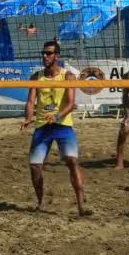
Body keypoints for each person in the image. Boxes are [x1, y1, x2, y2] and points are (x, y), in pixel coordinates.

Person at [21, 41, 91, 216]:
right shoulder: (36, 77)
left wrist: (57, 116)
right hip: (42, 126)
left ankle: (81, 204)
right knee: (35, 166)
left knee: (72, 161)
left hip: (62, 124)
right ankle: (41, 202)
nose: (45, 56)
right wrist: (28, 118)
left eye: (49, 53)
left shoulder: (68, 77)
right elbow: (30, 101)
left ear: (57, 56)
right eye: (43, 53)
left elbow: (71, 103)